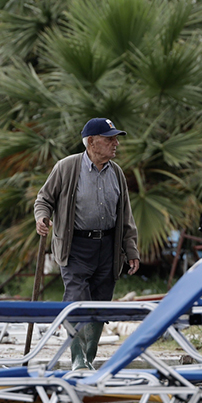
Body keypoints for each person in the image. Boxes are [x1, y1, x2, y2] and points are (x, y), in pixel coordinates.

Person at [34, 118, 141, 370]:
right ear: (92, 142)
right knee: (75, 300)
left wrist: (131, 249)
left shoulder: (116, 173)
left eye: (116, 138)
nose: (115, 143)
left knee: (100, 304)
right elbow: (44, 199)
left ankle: (89, 358)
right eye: (109, 139)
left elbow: (125, 215)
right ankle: (77, 359)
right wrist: (42, 217)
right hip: (76, 247)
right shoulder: (67, 167)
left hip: (108, 248)